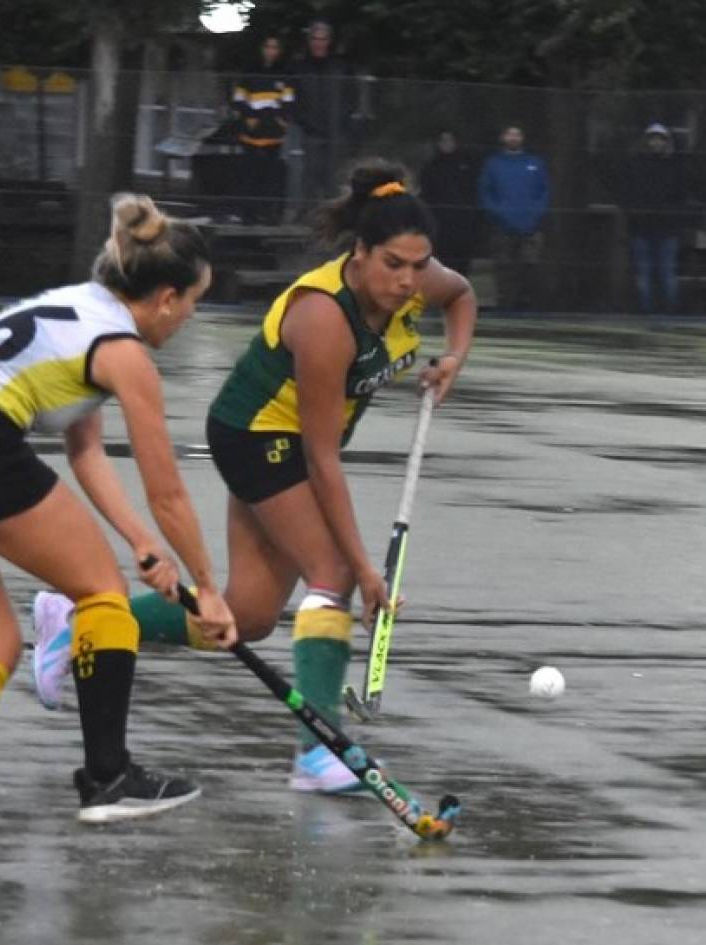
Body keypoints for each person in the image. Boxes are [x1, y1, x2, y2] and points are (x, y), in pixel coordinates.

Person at [31, 158, 477, 795]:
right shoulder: (323, 318)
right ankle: (319, 752)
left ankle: (80, 624)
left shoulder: (417, 281)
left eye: (418, 265)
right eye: (393, 264)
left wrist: (454, 356)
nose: (408, 280)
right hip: (258, 438)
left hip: (294, 443)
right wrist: (364, 569)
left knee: (250, 614)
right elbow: (320, 460)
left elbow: (461, 296)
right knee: (333, 574)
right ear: (360, 252)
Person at [0, 194, 237, 861]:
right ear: (167, 298)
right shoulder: (125, 353)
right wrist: (208, 588)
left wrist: (141, 541)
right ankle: (109, 776)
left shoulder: (77, 310)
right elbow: (168, 490)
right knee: (103, 595)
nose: (190, 317)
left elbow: (84, 450)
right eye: (194, 302)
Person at [618, 122, 690, 314]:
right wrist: (634, 214)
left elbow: (681, 197)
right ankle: (646, 311)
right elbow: (626, 194)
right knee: (644, 273)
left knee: (667, 272)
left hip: (667, 229)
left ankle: (671, 311)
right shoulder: (635, 165)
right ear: (646, 141)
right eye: (653, 138)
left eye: (660, 139)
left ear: (666, 142)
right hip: (641, 228)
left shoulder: (675, 167)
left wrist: (672, 215)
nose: (656, 142)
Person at [478, 124, 550, 311]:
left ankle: (527, 306)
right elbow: (485, 193)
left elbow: (544, 192)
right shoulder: (493, 163)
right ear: (503, 137)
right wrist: (498, 213)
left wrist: (535, 214)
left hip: (530, 226)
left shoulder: (535, 162)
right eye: (510, 134)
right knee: (503, 268)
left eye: (517, 134)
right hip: (502, 226)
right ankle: (504, 306)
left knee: (530, 268)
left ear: (522, 137)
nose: (513, 138)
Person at [290, 20, 356, 208]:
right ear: (309, 41)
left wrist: (344, 119)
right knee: (310, 174)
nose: (319, 43)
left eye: (323, 39)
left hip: (336, 130)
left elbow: (352, 95)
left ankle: (334, 215)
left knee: (334, 177)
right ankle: (308, 215)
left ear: (329, 41)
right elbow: (293, 97)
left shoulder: (341, 66)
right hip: (310, 131)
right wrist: (302, 120)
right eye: (315, 39)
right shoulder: (299, 67)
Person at [231, 34, 294, 224]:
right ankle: (248, 215)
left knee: (271, 176)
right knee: (250, 175)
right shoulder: (250, 72)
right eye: (268, 46)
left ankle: (269, 215)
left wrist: (281, 121)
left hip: (273, 135)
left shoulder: (284, 73)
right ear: (261, 49)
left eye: (275, 47)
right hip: (251, 134)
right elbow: (238, 99)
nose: (271, 51)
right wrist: (250, 118)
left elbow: (288, 102)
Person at [419, 130, 481, 276]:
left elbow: (473, 191)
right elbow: (426, 194)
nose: (446, 144)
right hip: (440, 223)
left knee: (463, 261)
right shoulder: (431, 166)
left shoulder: (468, 164)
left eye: (450, 140)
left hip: (463, 222)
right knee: (442, 261)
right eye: (443, 140)